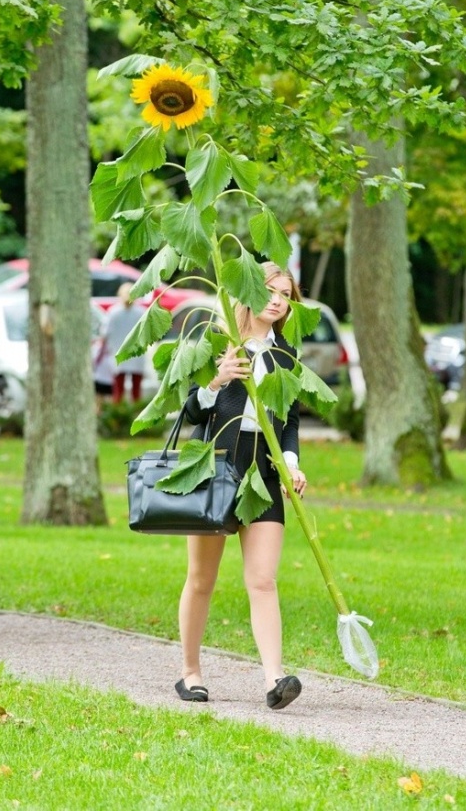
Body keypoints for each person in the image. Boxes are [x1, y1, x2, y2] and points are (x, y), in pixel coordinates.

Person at [175, 261, 308, 710]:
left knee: (264, 579)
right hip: (216, 469)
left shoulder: (286, 354)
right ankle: (190, 672)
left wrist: (291, 464)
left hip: (264, 474)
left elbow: (287, 422)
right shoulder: (216, 339)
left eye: (286, 295)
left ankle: (275, 679)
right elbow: (190, 413)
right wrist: (217, 379)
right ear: (248, 290)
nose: (278, 301)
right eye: (271, 291)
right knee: (201, 579)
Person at [97, 283, 146, 404]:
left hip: (118, 354)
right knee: (136, 391)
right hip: (137, 355)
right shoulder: (141, 312)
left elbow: (104, 334)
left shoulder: (113, 313)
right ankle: (136, 413)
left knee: (118, 391)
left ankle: (119, 416)